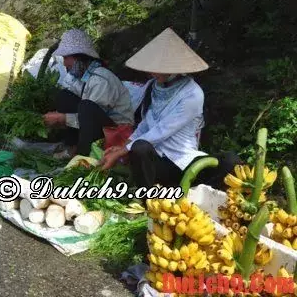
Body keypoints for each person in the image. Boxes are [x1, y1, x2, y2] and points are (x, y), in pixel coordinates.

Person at [101, 28, 237, 190]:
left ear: (174, 69)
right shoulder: (152, 87)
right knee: (140, 148)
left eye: (158, 68)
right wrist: (126, 144)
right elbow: (146, 123)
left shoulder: (192, 94)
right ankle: (148, 198)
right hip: (157, 160)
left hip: (182, 160)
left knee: (230, 162)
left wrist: (122, 151)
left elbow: (162, 130)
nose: (152, 73)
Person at [43, 29, 135, 159]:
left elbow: (90, 117)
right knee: (65, 96)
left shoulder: (100, 80)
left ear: (79, 57)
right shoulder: (84, 76)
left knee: (86, 107)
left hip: (117, 131)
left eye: (66, 58)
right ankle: (71, 146)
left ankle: (83, 155)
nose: (65, 64)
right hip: (98, 122)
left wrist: (62, 118)